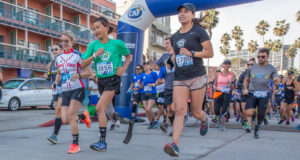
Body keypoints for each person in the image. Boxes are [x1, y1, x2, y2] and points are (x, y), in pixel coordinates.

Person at [163, 3, 213, 157]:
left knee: (197, 112)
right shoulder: (175, 36)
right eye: (180, 12)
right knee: (179, 110)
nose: (182, 14)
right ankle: (175, 144)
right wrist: (171, 62)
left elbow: (210, 53)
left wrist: (192, 53)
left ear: (193, 15)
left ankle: (204, 120)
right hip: (180, 78)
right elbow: (177, 54)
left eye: (186, 12)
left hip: (197, 76)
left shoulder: (199, 32)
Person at [81, 16, 131, 152]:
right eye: (93, 29)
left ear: (106, 27)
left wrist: (123, 68)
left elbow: (128, 56)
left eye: (97, 27)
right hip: (101, 81)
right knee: (108, 110)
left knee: (99, 108)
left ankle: (102, 142)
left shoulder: (117, 44)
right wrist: (95, 56)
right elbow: (83, 63)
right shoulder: (93, 45)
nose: (95, 31)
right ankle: (118, 118)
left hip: (113, 79)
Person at [54, 31, 92, 153]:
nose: (64, 43)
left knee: (70, 115)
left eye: (66, 41)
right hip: (65, 90)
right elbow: (60, 73)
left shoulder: (78, 56)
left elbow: (88, 73)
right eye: (62, 41)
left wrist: (79, 75)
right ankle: (83, 116)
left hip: (77, 88)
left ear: (72, 42)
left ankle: (75, 144)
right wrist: (56, 82)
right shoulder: (58, 58)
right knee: (64, 119)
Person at [243, 48, 277, 139]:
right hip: (252, 92)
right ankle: (251, 122)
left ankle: (257, 128)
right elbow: (246, 80)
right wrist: (245, 88)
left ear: (267, 57)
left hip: (264, 93)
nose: (260, 58)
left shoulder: (271, 68)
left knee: (261, 115)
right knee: (249, 112)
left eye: (263, 56)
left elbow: (275, 80)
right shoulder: (252, 68)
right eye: (258, 56)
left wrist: (276, 82)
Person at [147, 37, 175, 135]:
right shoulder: (164, 56)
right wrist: (149, 59)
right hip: (167, 86)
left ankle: (171, 125)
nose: (165, 45)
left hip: (177, 86)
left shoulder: (178, 55)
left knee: (173, 108)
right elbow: (155, 66)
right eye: (165, 43)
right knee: (168, 109)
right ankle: (170, 126)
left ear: (173, 44)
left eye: (167, 43)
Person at [47, 43, 64, 144]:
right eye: (52, 49)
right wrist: (51, 83)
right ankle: (83, 117)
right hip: (56, 90)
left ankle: (54, 135)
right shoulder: (50, 64)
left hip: (65, 88)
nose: (54, 51)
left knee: (58, 110)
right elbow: (49, 77)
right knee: (61, 113)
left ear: (61, 50)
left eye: (56, 49)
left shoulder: (64, 60)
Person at [213, 60, 236, 131]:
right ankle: (219, 119)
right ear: (223, 65)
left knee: (224, 109)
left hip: (227, 93)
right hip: (218, 92)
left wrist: (230, 84)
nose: (227, 65)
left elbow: (233, 87)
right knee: (216, 110)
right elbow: (214, 83)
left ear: (230, 66)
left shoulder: (232, 75)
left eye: (228, 64)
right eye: (225, 64)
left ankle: (223, 125)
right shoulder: (218, 74)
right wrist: (214, 87)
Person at [237, 58, 255, 129]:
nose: (250, 66)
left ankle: (249, 125)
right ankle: (245, 120)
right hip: (244, 93)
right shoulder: (244, 73)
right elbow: (238, 83)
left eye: (252, 64)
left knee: (249, 111)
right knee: (244, 111)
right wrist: (243, 88)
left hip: (253, 93)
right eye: (248, 64)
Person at [141, 62, 159, 129]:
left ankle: (155, 121)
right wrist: (140, 84)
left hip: (152, 93)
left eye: (146, 65)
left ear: (149, 66)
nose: (145, 67)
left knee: (149, 109)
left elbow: (159, 81)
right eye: (144, 66)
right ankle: (151, 122)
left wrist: (153, 84)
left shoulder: (153, 73)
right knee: (146, 110)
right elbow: (142, 85)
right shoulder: (143, 75)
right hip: (144, 93)